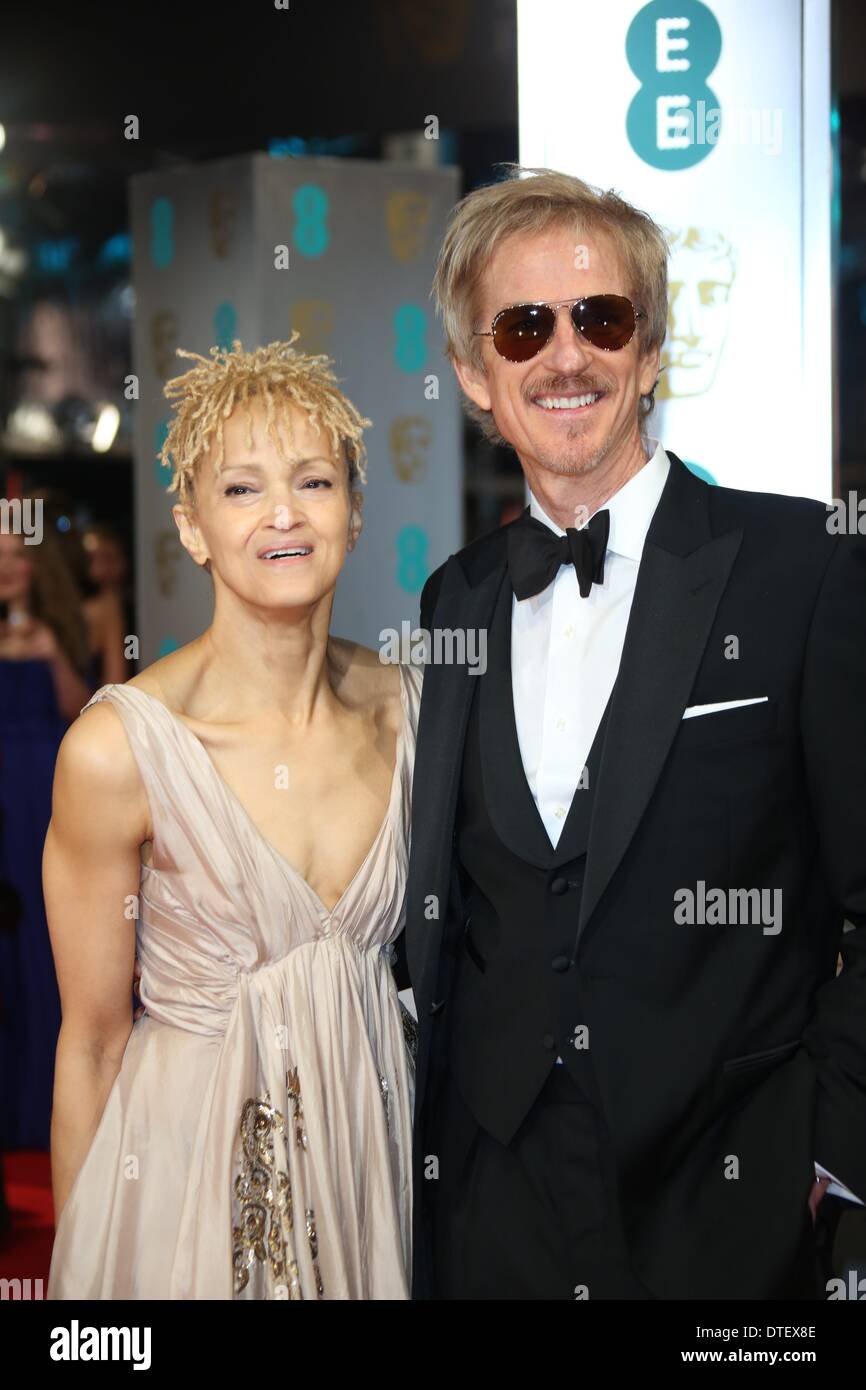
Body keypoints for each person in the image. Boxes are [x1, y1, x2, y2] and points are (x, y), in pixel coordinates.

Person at [401, 167, 866, 1300]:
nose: (565, 356)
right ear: (472, 373)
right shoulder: (453, 600)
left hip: (728, 1202)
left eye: (599, 318)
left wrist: (828, 1157)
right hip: (495, 1198)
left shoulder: (803, 567)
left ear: (649, 352)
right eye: (522, 327)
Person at [45, 337, 421, 1299]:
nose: (285, 515)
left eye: (314, 482)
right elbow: (90, 1042)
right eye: (243, 490)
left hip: (373, 1169)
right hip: (184, 1197)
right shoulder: (119, 749)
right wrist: (85, 1282)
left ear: (356, 509)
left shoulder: (415, 709)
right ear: (192, 527)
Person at [0, 525, 91, 1151]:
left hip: (41, 790)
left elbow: (81, 706)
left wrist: (50, 647)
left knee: (43, 933)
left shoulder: (61, 627)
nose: (8, 570)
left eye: (16, 559)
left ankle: (43, 1105)